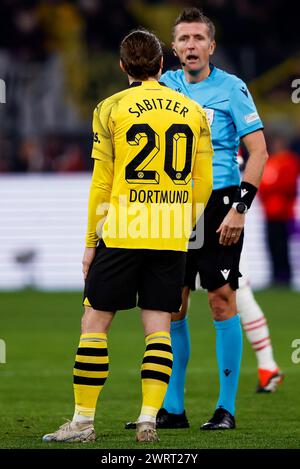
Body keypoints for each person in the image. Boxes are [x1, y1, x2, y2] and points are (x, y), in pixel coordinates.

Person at [42, 28, 213, 444]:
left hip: (122, 231)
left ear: (123, 67)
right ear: (161, 64)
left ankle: (83, 422)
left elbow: (101, 184)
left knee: (94, 324)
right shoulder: (192, 111)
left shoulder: (110, 108)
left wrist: (89, 242)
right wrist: (179, 220)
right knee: (158, 327)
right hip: (170, 237)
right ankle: (148, 419)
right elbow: (203, 183)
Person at [125, 7, 270, 432]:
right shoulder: (164, 86)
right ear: (173, 49)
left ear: (211, 46)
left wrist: (240, 209)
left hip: (221, 201)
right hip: (175, 205)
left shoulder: (232, 88)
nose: (191, 46)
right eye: (183, 39)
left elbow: (258, 151)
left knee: (221, 297)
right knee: (173, 304)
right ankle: (173, 410)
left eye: (198, 39)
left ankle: (225, 409)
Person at [259, 134, 299, 286]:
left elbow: (288, 185)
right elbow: (262, 184)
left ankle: (284, 276)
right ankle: (275, 275)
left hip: (283, 213)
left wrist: (271, 189)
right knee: (272, 244)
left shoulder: (289, 161)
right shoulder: (271, 161)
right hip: (269, 213)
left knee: (282, 245)